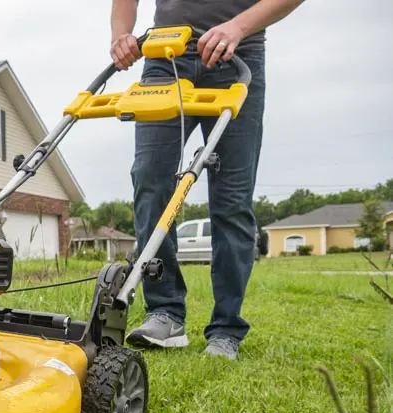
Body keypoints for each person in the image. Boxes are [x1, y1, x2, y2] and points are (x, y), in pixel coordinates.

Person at [110, 0, 304, 360]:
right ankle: (165, 313)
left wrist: (239, 27)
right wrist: (121, 35)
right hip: (164, 56)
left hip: (236, 54)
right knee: (150, 180)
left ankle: (226, 329)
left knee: (231, 199)